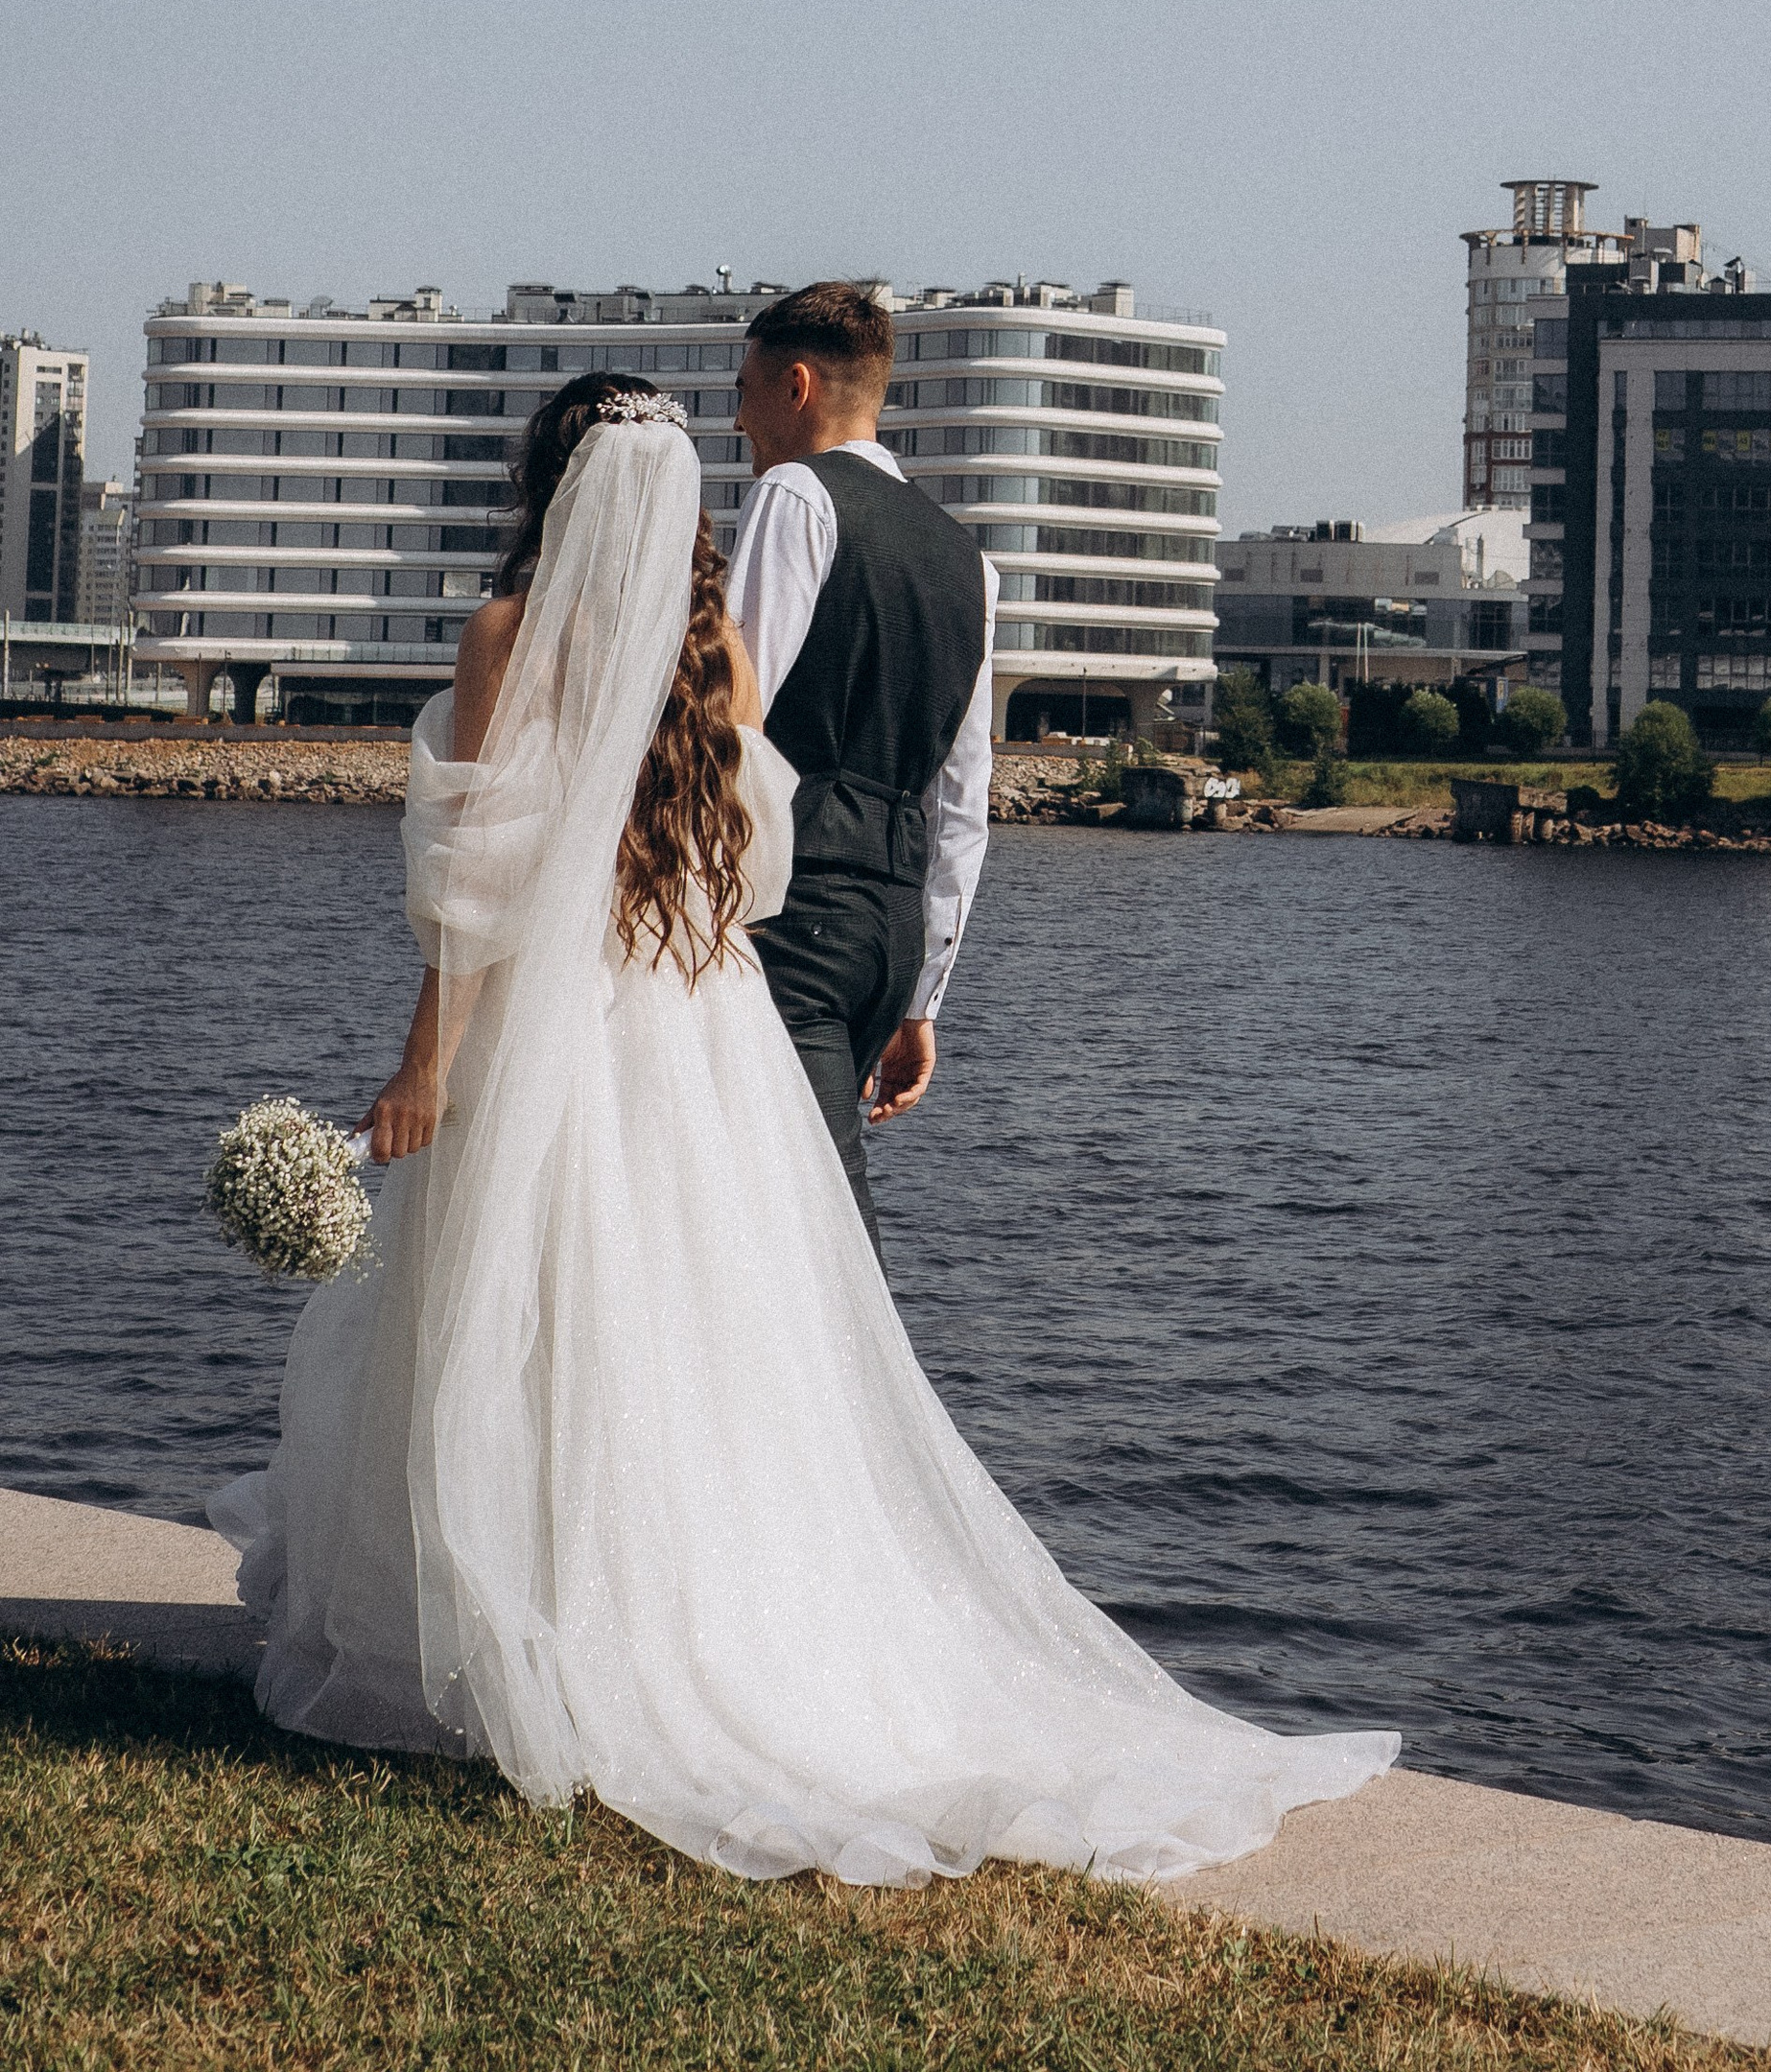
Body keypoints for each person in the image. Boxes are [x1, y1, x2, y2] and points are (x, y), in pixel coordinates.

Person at [210, 378, 1395, 1885]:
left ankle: (538, 1631)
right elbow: (750, 868)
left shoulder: (512, 637)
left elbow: (476, 885)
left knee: (525, 1316)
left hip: (560, 1021)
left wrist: (420, 1064)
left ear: (545, 489)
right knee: (690, 1333)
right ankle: (669, 1620)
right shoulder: (717, 659)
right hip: (701, 1022)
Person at [724, 283, 988, 1262]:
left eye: (743, 390)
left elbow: (733, 721)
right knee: (785, 1203)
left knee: (814, 1222)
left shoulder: (797, 495)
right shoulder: (969, 560)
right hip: (886, 931)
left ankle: (865, 1415)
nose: (738, 419)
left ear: (795, 384)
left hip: (797, 910)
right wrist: (923, 997)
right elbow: (963, 802)